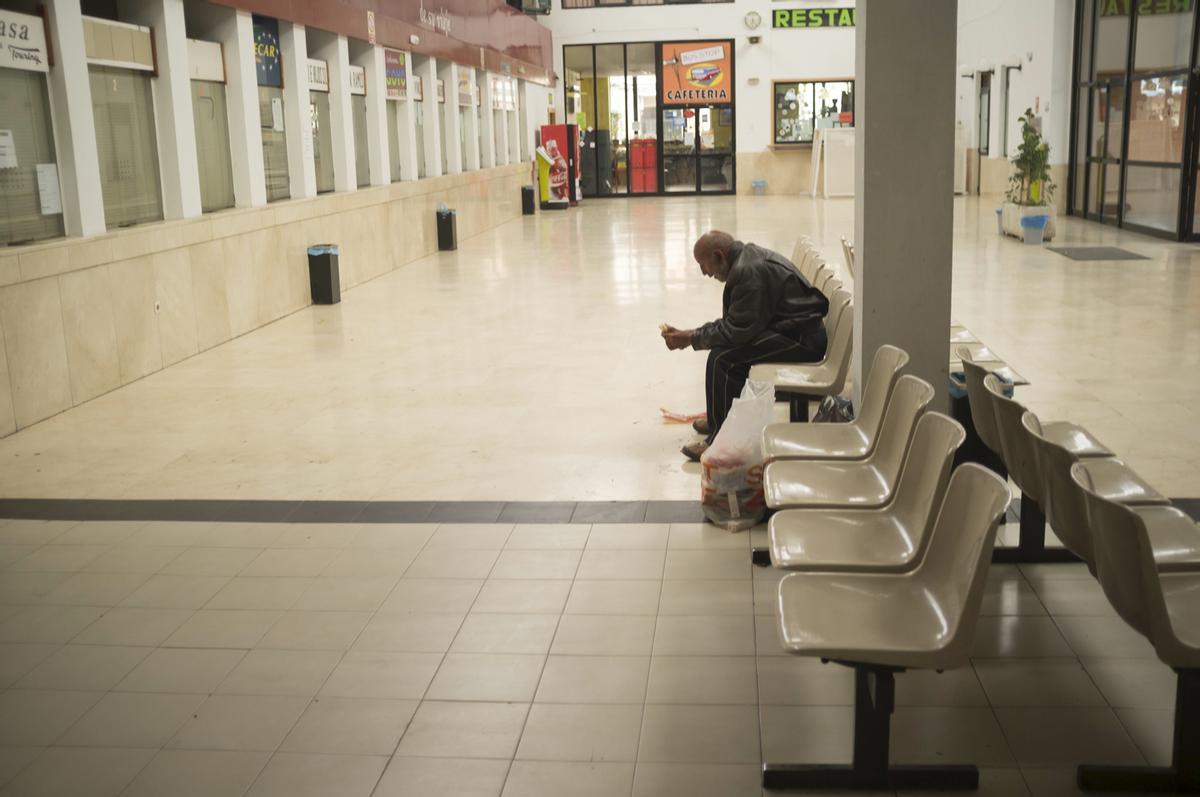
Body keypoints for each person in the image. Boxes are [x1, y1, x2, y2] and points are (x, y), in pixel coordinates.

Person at [662, 231, 829, 462]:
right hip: (791, 328)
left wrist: (691, 338)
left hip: (803, 339)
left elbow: (736, 331)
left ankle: (719, 441)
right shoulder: (745, 262)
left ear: (719, 256)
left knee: (724, 360)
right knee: (722, 354)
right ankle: (716, 422)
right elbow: (736, 323)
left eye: (704, 265)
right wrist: (692, 335)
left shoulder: (747, 272)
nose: (704, 273)